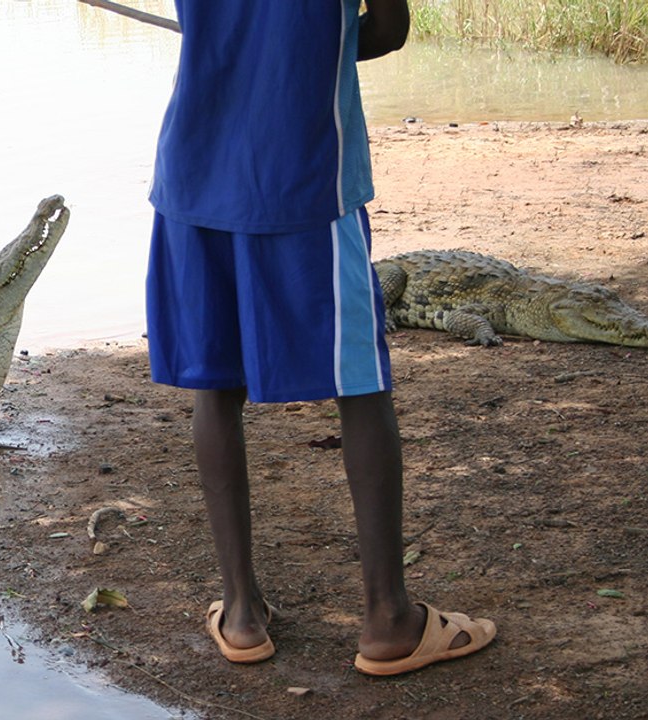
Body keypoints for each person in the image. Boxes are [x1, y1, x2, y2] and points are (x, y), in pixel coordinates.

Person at [145, 1, 496, 675]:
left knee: (216, 388)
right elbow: (387, 30)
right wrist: (312, 50)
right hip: (304, 178)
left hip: (193, 172)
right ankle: (388, 619)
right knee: (359, 382)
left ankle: (242, 615)